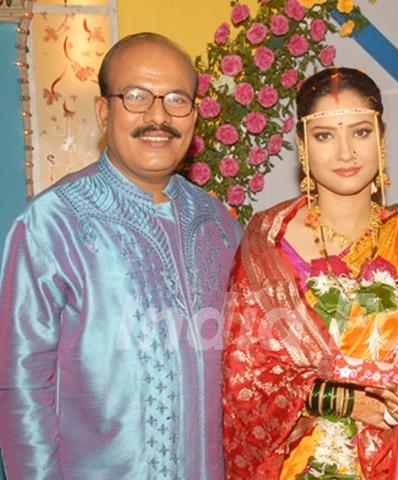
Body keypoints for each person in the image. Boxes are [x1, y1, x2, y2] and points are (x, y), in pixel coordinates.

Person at [0, 33, 242, 479]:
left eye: (176, 99)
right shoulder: (52, 225)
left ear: (194, 117)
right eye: (136, 96)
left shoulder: (220, 227)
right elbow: (21, 386)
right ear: (103, 110)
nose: (158, 116)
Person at [222, 67, 398, 479]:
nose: (346, 153)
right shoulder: (267, 245)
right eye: (325, 135)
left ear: (381, 139)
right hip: (301, 463)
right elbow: (246, 378)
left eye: (360, 133)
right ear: (302, 146)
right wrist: (345, 402)